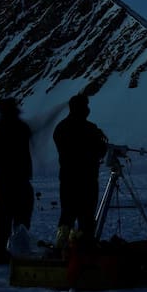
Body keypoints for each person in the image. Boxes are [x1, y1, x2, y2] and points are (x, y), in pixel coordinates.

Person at [0, 97, 34, 265]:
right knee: (21, 220)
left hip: (4, 184)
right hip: (19, 181)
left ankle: (2, 254)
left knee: (4, 220)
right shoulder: (21, 128)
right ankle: (19, 252)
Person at [53, 93, 108, 247]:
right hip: (87, 179)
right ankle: (82, 248)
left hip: (67, 178)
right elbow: (100, 150)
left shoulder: (61, 128)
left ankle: (62, 247)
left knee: (67, 214)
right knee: (86, 217)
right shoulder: (90, 129)